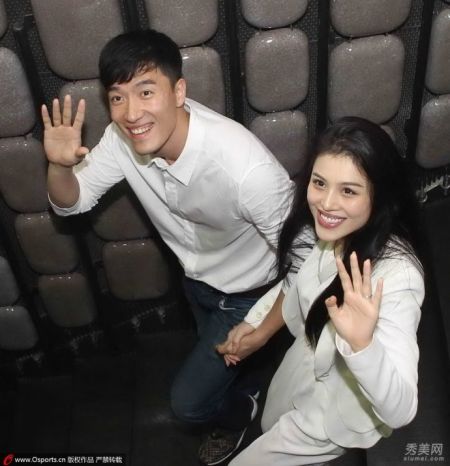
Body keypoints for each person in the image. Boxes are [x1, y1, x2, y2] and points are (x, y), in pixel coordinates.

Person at [41, 29, 294, 465]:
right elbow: (73, 201)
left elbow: (311, 261)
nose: (131, 113)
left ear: (178, 91)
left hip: (251, 294)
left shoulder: (246, 170)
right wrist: (59, 167)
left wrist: (264, 329)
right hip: (196, 283)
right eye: (117, 97)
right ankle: (246, 383)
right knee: (223, 361)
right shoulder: (122, 140)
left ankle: (238, 414)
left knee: (188, 405)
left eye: (145, 92)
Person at [217, 116, 425, 465]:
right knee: (270, 422)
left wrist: (362, 345)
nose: (326, 203)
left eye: (348, 191)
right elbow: (300, 282)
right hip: (304, 365)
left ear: (380, 195)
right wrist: (256, 325)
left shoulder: (397, 276)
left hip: (331, 414)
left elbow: (402, 409)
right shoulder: (338, 233)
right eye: (319, 183)